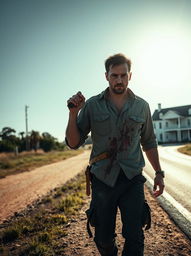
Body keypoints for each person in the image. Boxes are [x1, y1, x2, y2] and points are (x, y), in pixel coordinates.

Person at [65, 53, 164, 256]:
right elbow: (74, 143)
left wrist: (159, 173)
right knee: (103, 238)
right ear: (106, 76)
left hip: (132, 179)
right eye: (114, 75)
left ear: (130, 76)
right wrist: (73, 113)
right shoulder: (93, 105)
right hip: (103, 180)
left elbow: (149, 142)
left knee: (135, 236)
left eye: (123, 75)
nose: (119, 80)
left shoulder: (142, 106)